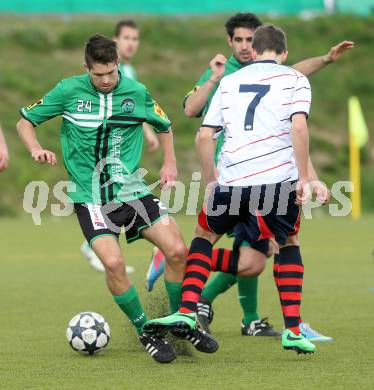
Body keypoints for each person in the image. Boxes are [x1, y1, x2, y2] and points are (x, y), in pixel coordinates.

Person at [146, 12, 352, 341]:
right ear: (284, 54)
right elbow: (298, 127)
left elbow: (203, 136)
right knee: (285, 243)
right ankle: (292, 329)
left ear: (254, 51)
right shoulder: (291, 80)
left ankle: (189, 309)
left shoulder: (230, 82)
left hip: (232, 181)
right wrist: (305, 178)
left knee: (221, 244)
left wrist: (212, 181)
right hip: (275, 184)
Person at [16, 34, 217, 363]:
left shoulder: (135, 92)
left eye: (111, 72)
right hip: (90, 196)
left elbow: (164, 125)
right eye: (99, 74)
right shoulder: (68, 91)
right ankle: (145, 331)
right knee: (113, 263)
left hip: (132, 191)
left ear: (118, 65)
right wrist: (35, 147)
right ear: (87, 69)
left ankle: (184, 319)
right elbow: (25, 122)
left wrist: (169, 163)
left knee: (178, 250)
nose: (107, 80)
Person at [81, 20, 159, 272]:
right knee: (106, 189)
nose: (131, 43)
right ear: (115, 41)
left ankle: (104, 246)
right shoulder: (102, 74)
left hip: (122, 144)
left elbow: (133, 108)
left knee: (120, 188)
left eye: (135, 39)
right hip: (99, 147)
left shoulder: (130, 73)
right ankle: (98, 246)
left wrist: (147, 130)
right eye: (126, 38)